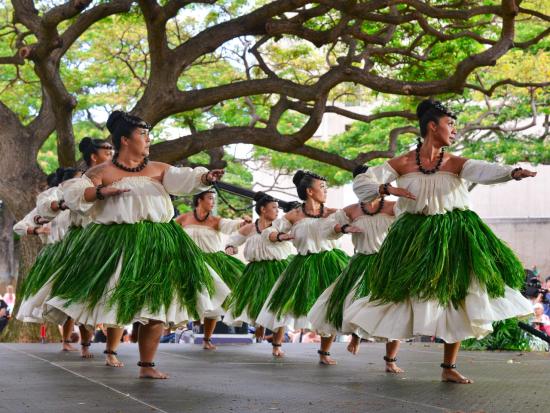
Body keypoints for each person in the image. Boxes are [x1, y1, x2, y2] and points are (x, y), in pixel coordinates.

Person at [345, 99, 536, 384]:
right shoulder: (402, 163)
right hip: (411, 237)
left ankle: (449, 366)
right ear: (432, 126)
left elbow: (483, 171)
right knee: (399, 293)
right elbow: (362, 183)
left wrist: (512, 172)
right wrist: (386, 188)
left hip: (453, 235)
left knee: (457, 294)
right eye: (450, 124)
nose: (454, 130)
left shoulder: (455, 163)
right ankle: (380, 345)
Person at [45, 110, 228, 379]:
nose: (148, 140)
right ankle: (105, 348)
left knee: (158, 304)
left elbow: (185, 179)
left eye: (148, 134)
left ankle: (147, 366)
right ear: (125, 140)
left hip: (159, 242)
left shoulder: (160, 170)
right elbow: (75, 196)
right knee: (115, 300)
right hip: (117, 243)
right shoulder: (102, 171)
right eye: (143, 134)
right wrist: (99, 191)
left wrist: (205, 178)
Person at [308, 165, 402, 372]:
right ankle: (330, 350)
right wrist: (343, 228)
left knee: (393, 308)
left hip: (387, 264)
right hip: (360, 263)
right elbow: (326, 228)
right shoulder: (351, 210)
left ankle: (390, 360)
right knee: (339, 304)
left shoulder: (395, 207)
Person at [256, 170, 356, 364]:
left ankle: (325, 352)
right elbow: (269, 231)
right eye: (322, 188)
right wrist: (280, 236)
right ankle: (277, 343)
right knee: (285, 304)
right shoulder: (293, 215)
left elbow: (356, 216)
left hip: (330, 262)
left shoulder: (333, 213)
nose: (325, 191)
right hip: (302, 263)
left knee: (331, 304)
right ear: (310, 191)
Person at [175, 190, 249, 349]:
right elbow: (169, 233)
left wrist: (243, 222)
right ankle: (186, 322)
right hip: (189, 263)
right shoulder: (184, 218)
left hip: (213, 263)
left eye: (214, 199)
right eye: (210, 198)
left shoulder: (216, 220)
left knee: (215, 304)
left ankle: (207, 339)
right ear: (199, 200)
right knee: (186, 297)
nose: (213, 202)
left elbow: (232, 225)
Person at [223, 192, 294, 341]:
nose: (277, 210)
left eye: (278, 208)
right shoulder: (250, 228)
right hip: (256, 271)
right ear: (263, 209)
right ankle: (259, 327)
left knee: (279, 306)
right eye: (274, 207)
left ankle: (277, 344)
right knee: (256, 301)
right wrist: (231, 248)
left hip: (278, 268)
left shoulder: (281, 225)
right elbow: (232, 241)